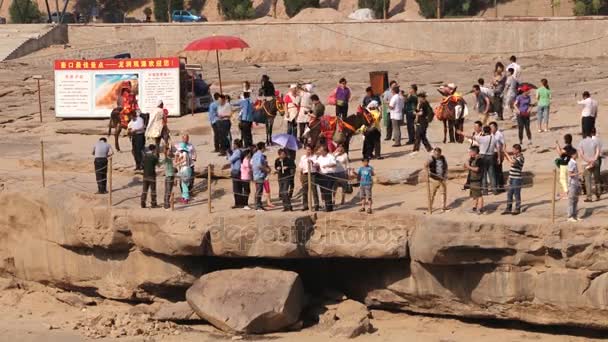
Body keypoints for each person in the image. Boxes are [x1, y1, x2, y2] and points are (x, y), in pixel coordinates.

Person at [578, 131, 601, 202]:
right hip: (595, 161)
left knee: (588, 181)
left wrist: (588, 161)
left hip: (586, 163)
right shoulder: (595, 142)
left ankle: (589, 197)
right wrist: (594, 159)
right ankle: (598, 195)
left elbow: (581, 154)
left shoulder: (581, 142)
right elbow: (598, 151)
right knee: (597, 179)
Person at [502, 144, 525, 215]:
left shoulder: (521, 157)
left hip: (517, 178)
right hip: (512, 177)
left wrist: (505, 152)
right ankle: (508, 208)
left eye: (513, 150)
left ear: (517, 150)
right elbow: (510, 162)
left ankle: (517, 208)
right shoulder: (515, 156)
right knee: (509, 193)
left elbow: (512, 162)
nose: (512, 151)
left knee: (516, 194)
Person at [315, 145, 337, 212]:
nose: (320, 152)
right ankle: (326, 206)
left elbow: (334, 164)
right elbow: (317, 163)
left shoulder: (330, 156)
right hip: (321, 175)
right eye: (320, 151)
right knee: (323, 191)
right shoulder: (319, 157)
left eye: (321, 151)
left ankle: (329, 207)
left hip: (329, 175)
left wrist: (327, 165)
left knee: (328, 191)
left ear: (325, 151)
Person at [555, 134, 577, 200]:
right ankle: (568, 191)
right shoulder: (572, 148)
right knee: (569, 178)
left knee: (562, 179)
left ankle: (566, 192)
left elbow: (560, 153)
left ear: (565, 140)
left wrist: (557, 146)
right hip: (570, 164)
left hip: (564, 164)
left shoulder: (566, 148)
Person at [427, 147, 448, 212]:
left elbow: (446, 166)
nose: (437, 155)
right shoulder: (431, 159)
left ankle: (443, 207)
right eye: (435, 154)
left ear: (440, 153)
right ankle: (430, 207)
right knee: (432, 194)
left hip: (442, 179)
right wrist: (427, 172)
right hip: (434, 179)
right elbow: (425, 165)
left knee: (443, 193)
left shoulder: (443, 158)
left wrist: (445, 175)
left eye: (438, 154)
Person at [299, 145, 320, 211]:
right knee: (304, 191)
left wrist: (312, 162)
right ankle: (305, 205)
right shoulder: (303, 157)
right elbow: (301, 167)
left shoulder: (314, 157)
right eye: (307, 149)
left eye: (309, 149)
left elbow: (317, 165)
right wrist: (301, 176)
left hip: (313, 174)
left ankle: (316, 205)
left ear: (311, 150)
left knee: (314, 190)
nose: (308, 151)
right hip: (305, 174)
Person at [465, 146, 483, 214]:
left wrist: (469, 167)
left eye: (471, 152)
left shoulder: (479, 159)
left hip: (477, 179)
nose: (469, 153)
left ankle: (480, 209)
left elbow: (477, 169)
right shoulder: (472, 159)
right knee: (474, 195)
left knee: (479, 195)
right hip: (472, 179)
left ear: (475, 152)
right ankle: (474, 208)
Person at [252, 142, 270, 211]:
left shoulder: (255, 154)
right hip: (259, 174)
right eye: (264, 147)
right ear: (262, 147)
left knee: (259, 190)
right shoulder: (260, 155)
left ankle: (259, 205)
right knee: (259, 191)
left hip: (256, 174)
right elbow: (259, 165)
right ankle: (257, 206)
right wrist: (266, 170)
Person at [141, 144, 159, 208]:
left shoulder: (145, 156)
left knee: (144, 190)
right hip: (152, 176)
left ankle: (143, 203)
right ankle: (153, 204)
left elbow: (142, 166)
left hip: (145, 175)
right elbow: (158, 164)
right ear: (154, 149)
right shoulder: (154, 157)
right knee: (153, 191)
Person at [489, 121, 505, 193]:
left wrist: (502, 155)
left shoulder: (499, 134)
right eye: (490, 127)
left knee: (499, 171)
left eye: (492, 127)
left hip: (498, 153)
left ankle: (501, 187)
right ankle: (496, 186)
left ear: (496, 127)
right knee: (494, 171)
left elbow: (503, 144)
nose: (491, 129)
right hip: (492, 153)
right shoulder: (490, 134)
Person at [229, 139, 245, 208]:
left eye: (234, 144)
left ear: (236, 145)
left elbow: (230, 159)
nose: (233, 145)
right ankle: (239, 202)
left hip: (236, 171)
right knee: (238, 187)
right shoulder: (238, 151)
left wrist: (229, 154)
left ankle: (239, 203)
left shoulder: (237, 152)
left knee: (237, 188)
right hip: (238, 170)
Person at [567, 150, 581, 222]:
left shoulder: (574, 163)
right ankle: (570, 216)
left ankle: (575, 215)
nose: (577, 154)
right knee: (571, 200)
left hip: (575, 183)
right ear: (572, 155)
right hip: (572, 183)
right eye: (576, 153)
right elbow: (569, 174)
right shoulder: (571, 163)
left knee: (575, 200)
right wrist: (578, 173)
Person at [162, 145, 175, 210]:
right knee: (168, 191)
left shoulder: (169, 159)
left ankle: (166, 203)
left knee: (167, 190)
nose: (170, 152)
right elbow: (165, 155)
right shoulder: (167, 158)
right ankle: (166, 205)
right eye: (169, 151)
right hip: (169, 177)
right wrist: (165, 150)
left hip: (170, 176)